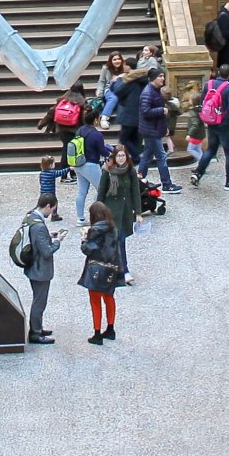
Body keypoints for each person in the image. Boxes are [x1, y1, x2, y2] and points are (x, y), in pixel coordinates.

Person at [189, 64, 229, 190]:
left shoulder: (208, 84)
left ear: (218, 73)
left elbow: (202, 102)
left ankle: (198, 173)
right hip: (224, 123)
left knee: (211, 149)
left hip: (211, 121)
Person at [78, 201, 124, 346]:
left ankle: (97, 334)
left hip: (97, 269)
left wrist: (84, 239)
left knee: (95, 301)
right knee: (109, 297)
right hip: (112, 267)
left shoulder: (95, 230)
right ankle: (110, 329)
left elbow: (88, 249)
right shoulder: (113, 227)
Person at [97, 144, 142, 283]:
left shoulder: (130, 171)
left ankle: (120, 269)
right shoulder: (107, 171)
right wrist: (99, 213)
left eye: (123, 155)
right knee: (114, 241)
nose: (121, 158)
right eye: (118, 156)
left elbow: (135, 192)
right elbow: (101, 193)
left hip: (125, 212)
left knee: (120, 240)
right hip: (110, 212)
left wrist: (138, 212)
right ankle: (122, 269)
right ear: (114, 157)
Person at [24, 195, 63, 345]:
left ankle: (37, 327)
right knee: (39, 302)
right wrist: (57, 242)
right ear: (47, 206)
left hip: (33, 267)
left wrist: (48, 236)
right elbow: (46, 252)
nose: (52, 212)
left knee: (38, 300)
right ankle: (35, 333)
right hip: (40, 270)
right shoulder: (39, 226)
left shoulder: (31, 216)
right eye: (52, 209)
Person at [136, 69, 177, 194]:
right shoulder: (148, 92)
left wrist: (164, 127)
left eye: (163, 76)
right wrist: (161, 110)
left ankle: (139, 179)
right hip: (151, 130)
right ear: (153, 78)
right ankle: (167, 184)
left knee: (147, 156)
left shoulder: (154, 90)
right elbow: (145, 111)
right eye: (160, 76)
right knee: (161, 157)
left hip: (152, 128)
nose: (163, 79)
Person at [72, 108, 111, 225]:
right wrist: (109, 150)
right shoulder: (96, 134)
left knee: (82, 192)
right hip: (91, 165)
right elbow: (103, 152)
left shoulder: (79, 130)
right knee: (102, 189)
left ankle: (80, 218)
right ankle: (97, 216)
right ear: (95, 120)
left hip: (78, 164)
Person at [95, 51, 126, 130]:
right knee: (113, 98)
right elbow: (101, 81)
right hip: (109, 89)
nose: (117, 61)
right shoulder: (106, 68)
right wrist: (99, 91)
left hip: (122, 90)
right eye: (114, 59)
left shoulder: (125, 67)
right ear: (111, 61)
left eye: (119, 59)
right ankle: (104, 118)